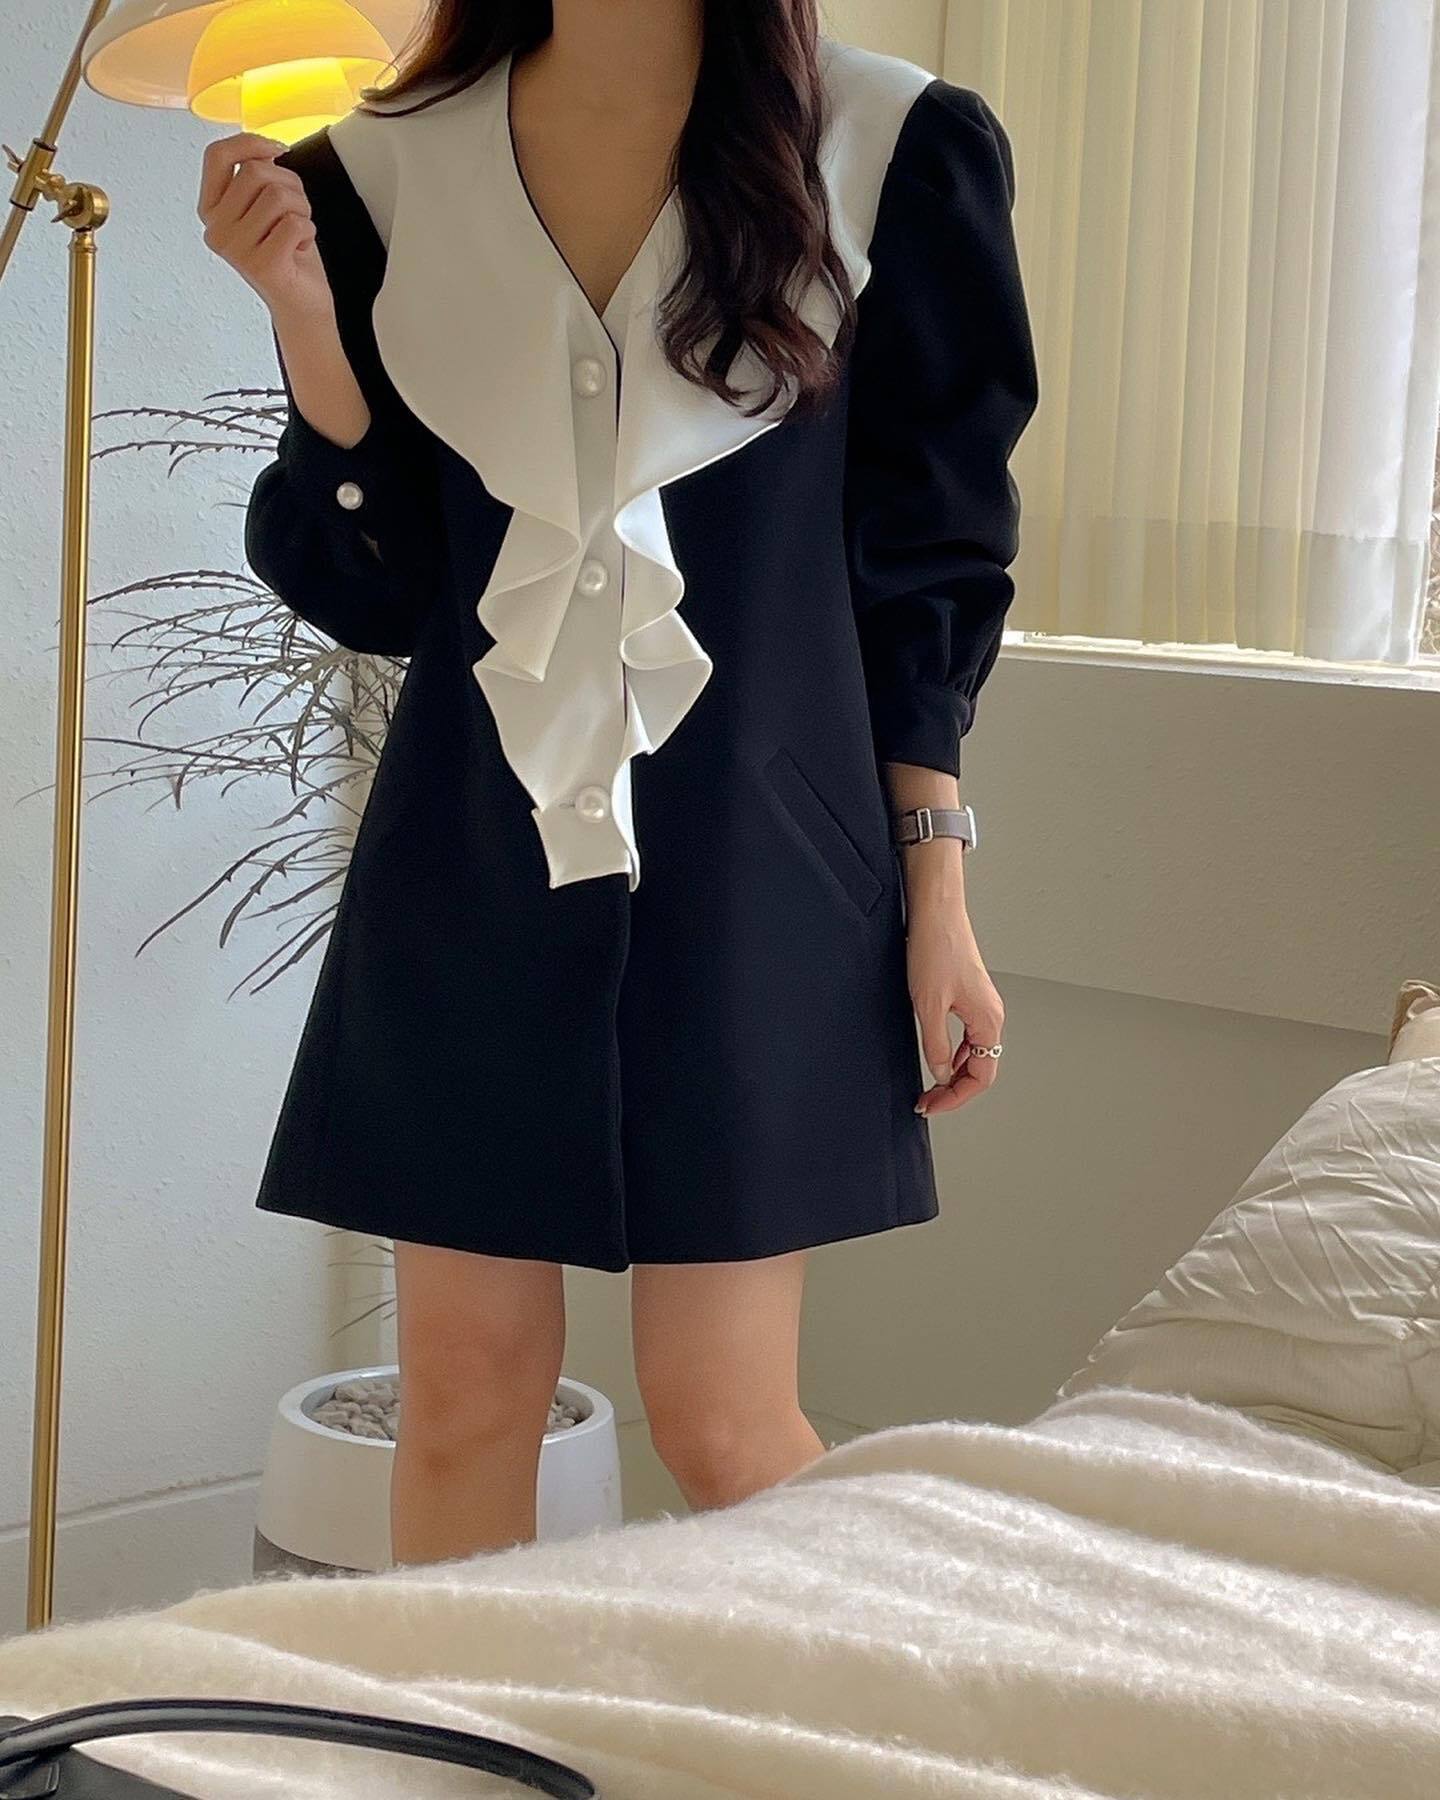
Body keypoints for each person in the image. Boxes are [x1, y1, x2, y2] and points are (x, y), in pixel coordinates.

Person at [198, 0, 1039, 1565]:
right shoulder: (377, 172)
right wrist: (308, 322)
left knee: (722, 1420)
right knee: (461, 1401)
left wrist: (938, 886)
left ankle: (892, 1685)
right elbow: (384, 590)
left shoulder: (891, 145)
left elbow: (929, 560)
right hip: (472, 855)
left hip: (761, 870)